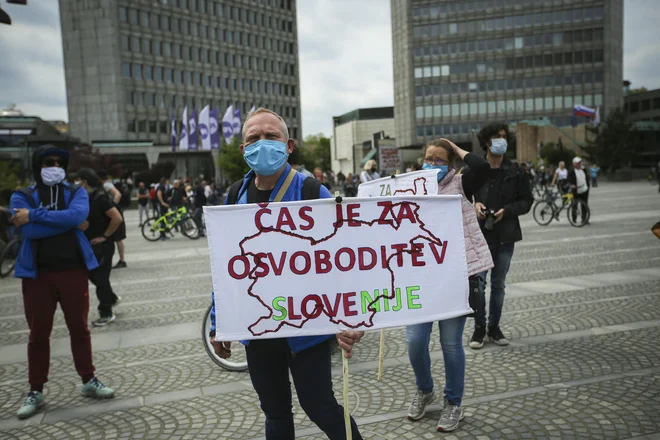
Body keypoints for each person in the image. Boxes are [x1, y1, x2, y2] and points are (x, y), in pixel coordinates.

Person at [209, 108, 364, 440]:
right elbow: (225, 264)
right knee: (275, 413)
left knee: (321, 407)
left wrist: (352, 317)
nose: (262, 143)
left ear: (289, 145)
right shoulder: (235, 194)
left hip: (305, 329)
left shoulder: (311, 191)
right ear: (243, 149)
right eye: (253, 138)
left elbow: (343, 260)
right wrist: (220, 321)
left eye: (271, 136)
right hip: (258, 328)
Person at [10, 146, 114, 420]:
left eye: (59, 162)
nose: (54, 166)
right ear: (38, 165)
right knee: (38, 334)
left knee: (80, 328)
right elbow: (34, 230)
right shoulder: (23, 195)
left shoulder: (75, 192)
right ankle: (35, 389)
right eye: (48, 162)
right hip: (37, 276)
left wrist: (33, 215)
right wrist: (65, 221)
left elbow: (78, 216)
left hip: (73, 271)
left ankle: (89, 380)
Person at [406, 138, 493, 432]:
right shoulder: (412, 187)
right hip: (421, 278)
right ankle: (425, 389)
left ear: (452, 165)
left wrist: (454, 149)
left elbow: (481, 165)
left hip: (455, 276)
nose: (432, 164)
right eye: (428, 159)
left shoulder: (461, 183)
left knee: (451, 345)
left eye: (439, 160)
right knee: (414, 341)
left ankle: (453, 402)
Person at [470, 123, 533, 349]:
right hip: (478, 236)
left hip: (505, 236)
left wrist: (507, 211)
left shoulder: (515, 170)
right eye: (497, 136)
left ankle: (493, 327)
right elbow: (461, 197)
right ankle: (478, 328)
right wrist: (474, 205)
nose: (502, 140)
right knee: (478, 284)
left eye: (505, 137)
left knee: (498, 285)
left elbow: (527, 201)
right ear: (487, 141)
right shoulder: (475, 169)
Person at [73, 168, 123, 327]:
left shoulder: (100, 198)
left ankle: (106, 312)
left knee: (100, 277)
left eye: (78, 180)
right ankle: (112, 298)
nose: (76, 183)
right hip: (90, 246)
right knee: (95, 276)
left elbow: (117, 218)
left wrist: (105, 236)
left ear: (84, 181)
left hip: (102, 247)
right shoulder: (85, 198)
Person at [98, 171, 127, 269]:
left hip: (114, 214)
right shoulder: (109, 183)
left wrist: (111, 206)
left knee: (118, 238)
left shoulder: (106, 185)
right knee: (118, 238)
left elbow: (118, 194)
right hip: (115, 213)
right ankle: (121, 259)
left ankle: (122, 260)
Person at [568, 157, 591, 224]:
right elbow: (569, 180)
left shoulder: (583, 170)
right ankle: (574, 218)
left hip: (584, 189)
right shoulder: (572, 171)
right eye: (577, 163)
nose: (579, 164)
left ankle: (584, 219)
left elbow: (586, 178)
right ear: (574, 164)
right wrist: (571, 185)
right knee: (574, 205)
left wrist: (587, 185)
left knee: (584, 205)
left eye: (580, 163)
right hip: (576, 191)